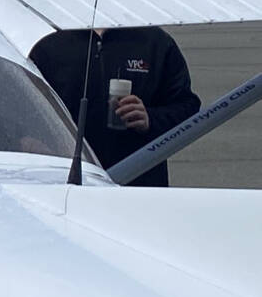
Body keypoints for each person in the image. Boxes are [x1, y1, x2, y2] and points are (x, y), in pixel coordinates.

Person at [30, 26, 201, 187]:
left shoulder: (155, 42)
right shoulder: (48, 43)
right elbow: (17, 106)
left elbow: (188, 107)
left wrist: (150, 119)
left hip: (138, 180)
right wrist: (29, 140)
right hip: (63, 179)